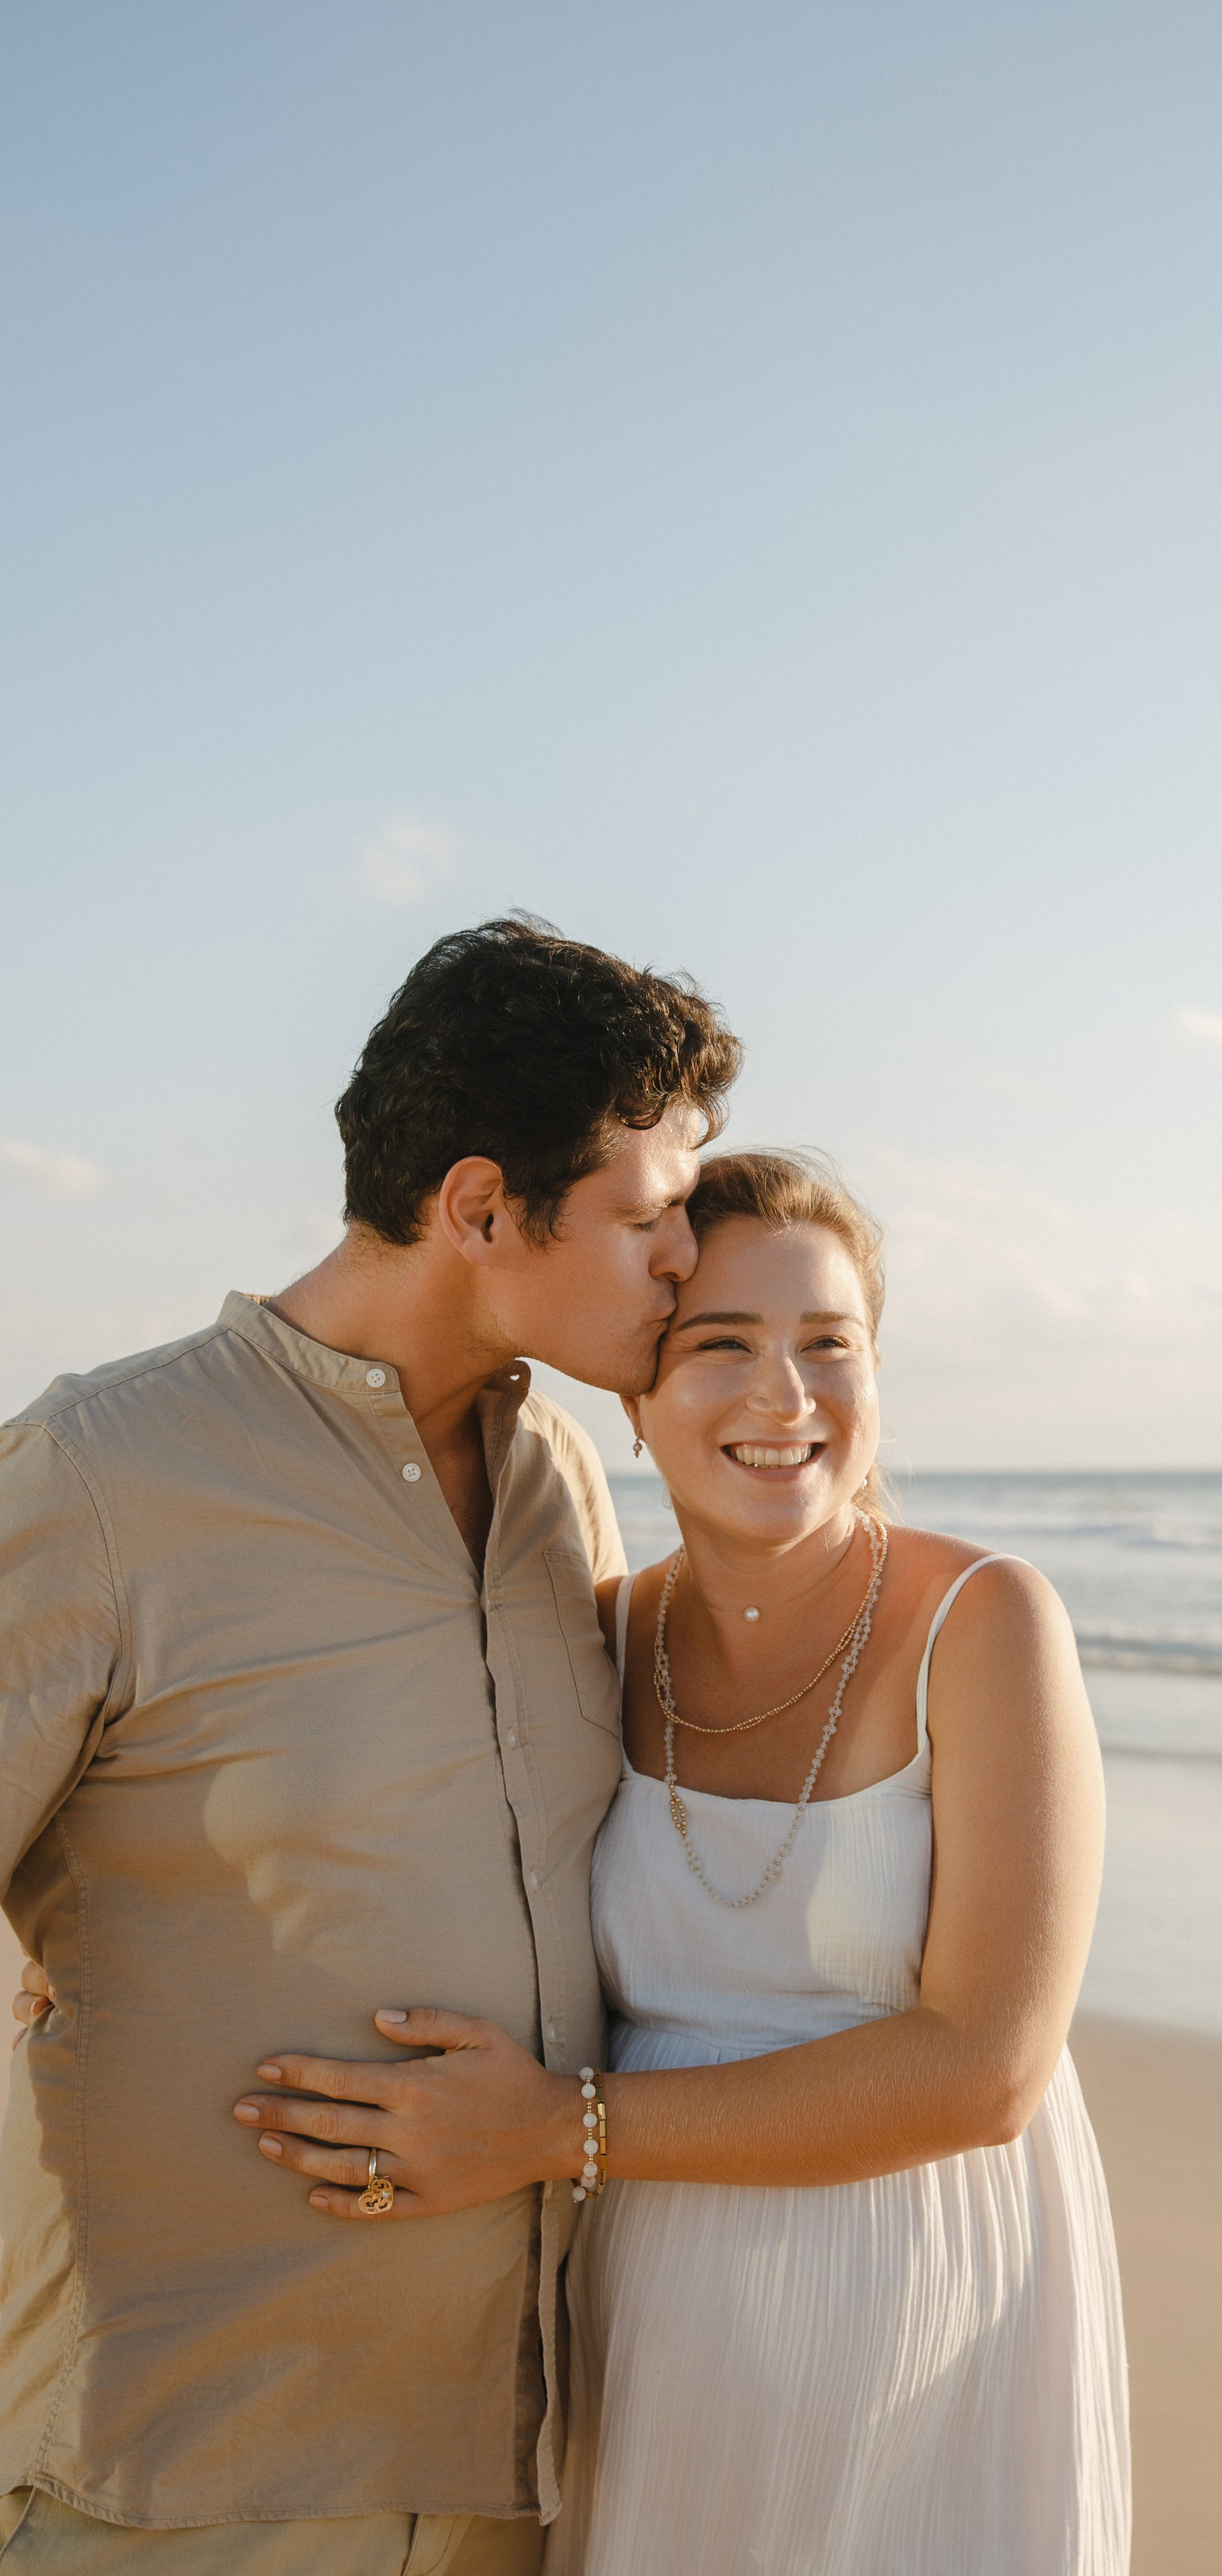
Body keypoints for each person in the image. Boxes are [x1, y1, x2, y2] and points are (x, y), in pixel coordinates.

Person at [220, 1152, 1131, 2574]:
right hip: (657, 2317)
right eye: (721, 1346)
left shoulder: (987, 1622)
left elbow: (988, 2072)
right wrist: (114, 1911)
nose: (785, 1397)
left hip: (924, 2303)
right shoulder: (591, 1637)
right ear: (637, 1400)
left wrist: (556, 2130)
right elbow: (364, 1811)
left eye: (829, 1346)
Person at [0, 916, 740, 2571]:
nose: (686, 1258)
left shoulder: (559, 1471)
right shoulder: (100, 1473)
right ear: (481, 1204)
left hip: (501, 2464)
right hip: (178, 2466)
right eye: (647, 1216)